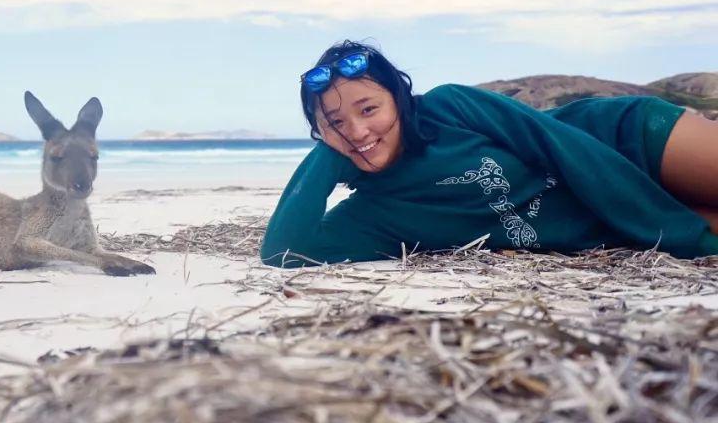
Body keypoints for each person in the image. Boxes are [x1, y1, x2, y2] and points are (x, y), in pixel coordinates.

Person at [260, 41, 718, 267]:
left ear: (399, 99)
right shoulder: (370, 216)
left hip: (622, 144)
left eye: (369, 109)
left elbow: (562, 146)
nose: (357, 131)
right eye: (336, 122)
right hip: (614, 222)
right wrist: (328, 154)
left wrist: (672, 232)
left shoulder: (450, 106)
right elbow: (283, 252)